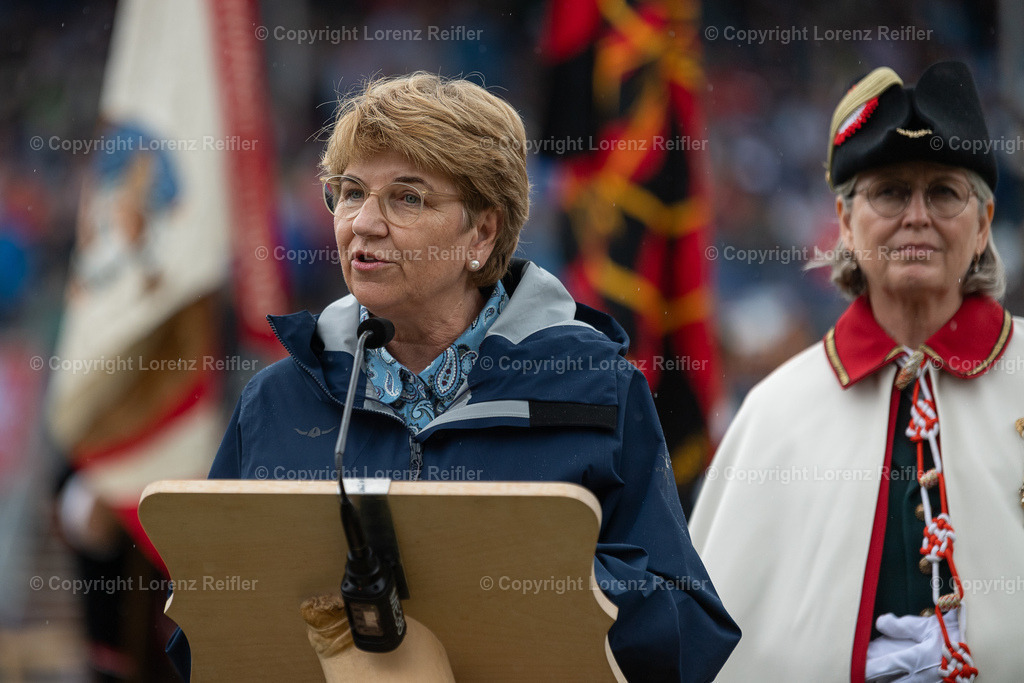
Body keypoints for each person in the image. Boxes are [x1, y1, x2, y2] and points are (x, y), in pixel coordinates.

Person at [166, 72, 739, 681]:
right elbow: (202, 630)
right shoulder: (275, 401)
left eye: (407, 198)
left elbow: (688, 624)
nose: (363, 222)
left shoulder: (594, 385)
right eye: (351, 191)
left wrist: (531, 588)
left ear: (482, 232)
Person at [690, 61, 1024, 681]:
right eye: (890, 192)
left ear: (982, 225)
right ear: (846, 224)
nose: (917, 216)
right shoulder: (775, 414)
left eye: (945, 192)